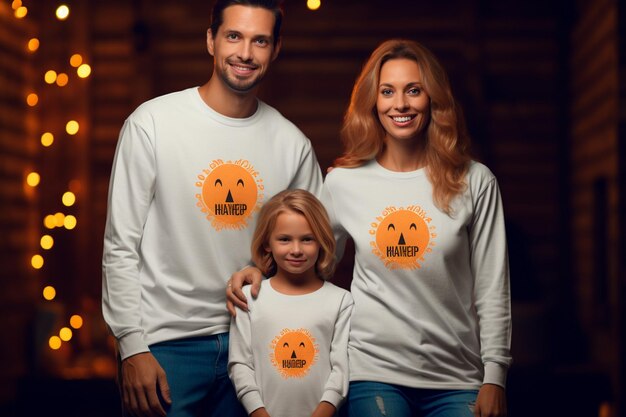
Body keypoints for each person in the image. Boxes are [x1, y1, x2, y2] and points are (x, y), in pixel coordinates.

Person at [228, 39, 512, 417]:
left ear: (433, 99)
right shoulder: (345, 183)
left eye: (414, 90)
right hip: (372, 369)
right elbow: (308, 254)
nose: (401, 104)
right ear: (373, 102)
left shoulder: (476, 182)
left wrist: (494, 377)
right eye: (388, 92)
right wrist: (259, 268)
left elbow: (493, 287)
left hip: (456, 376)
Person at [101, 0, 323, 416]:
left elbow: (319, 251)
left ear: (275, 50)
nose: (245, 53)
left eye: (260, 41)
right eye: (233, 36)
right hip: (166, 347)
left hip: (257, 344)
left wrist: (270, 271)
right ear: (211, 40)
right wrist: (131, 346)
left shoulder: (293, 146)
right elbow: (120, 245)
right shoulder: (152, 124)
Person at [228, 189, 353, 417]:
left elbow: (341, 371)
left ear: (322, 241)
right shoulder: (249, 298)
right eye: (284, 239)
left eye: (307, 239)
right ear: (267, 243)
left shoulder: (341, 301)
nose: (296, 250)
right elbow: (240, 366)